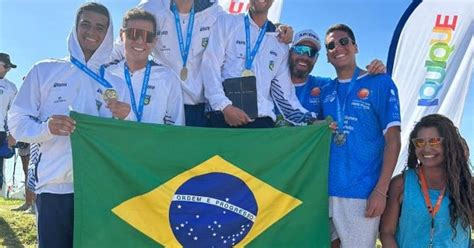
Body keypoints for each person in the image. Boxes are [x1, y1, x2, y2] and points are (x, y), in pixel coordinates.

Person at [7, 3, 129, 247]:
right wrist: (46, 128)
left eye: (100, 27)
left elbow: (126, 141)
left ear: (108, 33)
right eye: (85, 23)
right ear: (75, 26)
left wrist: (125, 118)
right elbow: (17, 122)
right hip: (54, 187)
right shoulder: (45, 70)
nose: (91, 31)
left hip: (98, 188)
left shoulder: (117, 84)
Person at [112, 0, 293, 127]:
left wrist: (276, 29)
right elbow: (124, 44)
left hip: (202, 108)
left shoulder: (215, 12)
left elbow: (248, 28)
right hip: (165, 104)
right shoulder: (151, 6)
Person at [319, 24, 401, 247]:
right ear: (327, 56)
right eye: (331, 45)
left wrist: (380, 191)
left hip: (361, 194)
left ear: (355, 46)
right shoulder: (324, 89)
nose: (338, 47)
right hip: (322, 192)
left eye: (344, 41)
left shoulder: (380, 82)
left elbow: (393, 140)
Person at [202, 0, 314, 128]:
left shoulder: (280, 42)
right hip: (222, 118)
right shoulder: (225, 22)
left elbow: (285, 95)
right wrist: (224, 106)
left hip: (261, 125)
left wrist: (310, 121)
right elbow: (210, 67)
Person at [380, 114, 472, 247]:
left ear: (449, 144)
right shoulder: (401, 184)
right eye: (420, 142)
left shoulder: (466, 184)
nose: (427, 148)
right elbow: (386, 232)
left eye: (434, 141)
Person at [276, 29, 386, 127]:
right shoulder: (270, 82)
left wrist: (375, 71)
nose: (305, 56)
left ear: (316, 58)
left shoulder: (325, 86)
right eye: (300, 49)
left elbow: (350, 83)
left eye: (311, 52)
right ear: (290, 52)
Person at [105, 8, 184, 125]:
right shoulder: (107, 75)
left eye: (148, 36)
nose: (140, 41)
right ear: (122, 35)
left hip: (154, 144)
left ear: (155, 41)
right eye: (134, 33)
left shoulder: (167, 78)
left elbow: (177, 128)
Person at [0, 52, 18, 191]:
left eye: (9, 67)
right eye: (5, 66)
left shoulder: (11, 87)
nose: (7, 70)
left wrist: (12, 134)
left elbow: (13, 113)